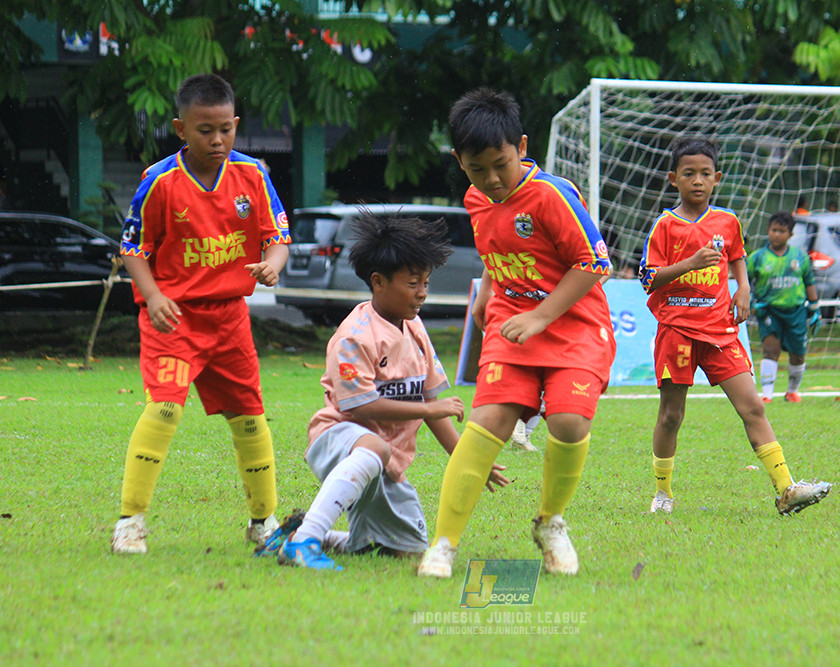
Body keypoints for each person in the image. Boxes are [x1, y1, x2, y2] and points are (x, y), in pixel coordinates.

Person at [417, 88, 616, 578]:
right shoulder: (476, 197)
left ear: (522, 147)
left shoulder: (551, 194)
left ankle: (550, 523)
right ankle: (442, 545)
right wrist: (488, 289)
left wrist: (541, 316)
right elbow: (496, 244)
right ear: (459, 162)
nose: (491, 180)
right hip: (511, 320)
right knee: (487, 425)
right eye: (476, 169)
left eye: (500, 165)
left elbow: (594, 264)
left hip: (575, 326)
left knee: (569, 423)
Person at [257, 212, 509, 569]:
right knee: (373, 447)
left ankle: (300, 535)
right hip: (338, 439)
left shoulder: (416, 328)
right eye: (412, 283)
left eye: (425, 282)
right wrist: (427, 411)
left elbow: (430, 398)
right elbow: (360, 407)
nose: (422, 292)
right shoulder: (354, 336)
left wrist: (467, 458)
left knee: (403, 550)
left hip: (388, 458)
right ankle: (305, 542)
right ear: (378, 282)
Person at [111, 73, 291, 554]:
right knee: (165, 408)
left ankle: (263, 521)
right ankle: (130, 523)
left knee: (250, 419)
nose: (217, 140)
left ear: (236, 125)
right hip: (174, 319)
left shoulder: (253, 175)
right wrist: (152, 296)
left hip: (230, 319)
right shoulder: (159, 181)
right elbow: (133, 247)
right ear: (180, 128)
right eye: (204, 130)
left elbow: (277, 238)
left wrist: (272, 267)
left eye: (225, 129)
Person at [638, 137, 831, 517]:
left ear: (717, 178)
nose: (698, 180)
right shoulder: (664, 225)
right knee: (671, 416)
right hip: (677, 330)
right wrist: (690, 264)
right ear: (673, 178)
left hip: (720, 330)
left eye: (705, 174)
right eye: (689, 174)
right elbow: (649, 278)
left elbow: (737, 255)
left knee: (753, 406)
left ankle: (786, 489)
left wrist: (742, 287)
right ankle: (662, 494)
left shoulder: (727, 221)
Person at [746, 211, 820, 403]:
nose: (777, 234)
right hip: (769, 310)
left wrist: (814, 307)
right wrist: (751, 302)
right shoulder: (758, 258)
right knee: (770, 350)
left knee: (798, 353)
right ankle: (767, 394)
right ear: (767, 231)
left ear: (790, 234)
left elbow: (809, 281)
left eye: (782, 231)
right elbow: (744, 282)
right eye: (773, 230)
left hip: (796, 312)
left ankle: (792, 391)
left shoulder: (800, 257)